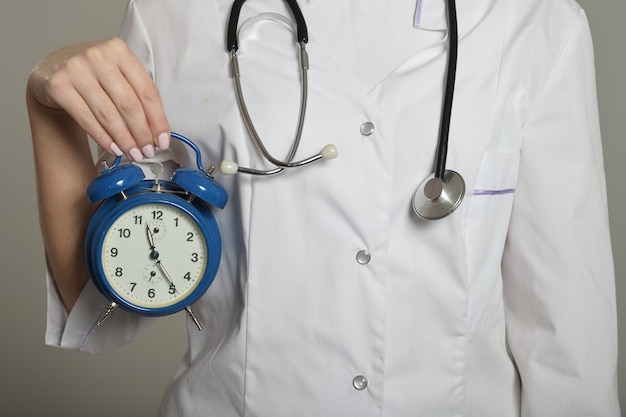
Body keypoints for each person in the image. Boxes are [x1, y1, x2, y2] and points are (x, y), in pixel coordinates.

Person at [26, 0, 620, 415]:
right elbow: (103, 301)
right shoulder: (176, 15)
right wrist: (49, 110)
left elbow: (569, 347)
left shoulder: (537, 22)